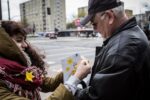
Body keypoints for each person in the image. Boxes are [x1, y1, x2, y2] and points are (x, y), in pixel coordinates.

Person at [58, 0, 150, 100]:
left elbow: (96, 96)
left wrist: (72, 87)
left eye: (94, 24)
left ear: (109, 16)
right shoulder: (130, 34)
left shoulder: (120, 51)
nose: (95, 30)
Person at [0, 21, 66, 100]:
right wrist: (70, 86)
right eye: (19, 40)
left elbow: (47, 84)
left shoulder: (21, 68)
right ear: (4, 44)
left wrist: (72, 69)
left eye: (24, 40)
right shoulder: (3, 75)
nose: (25, 45)